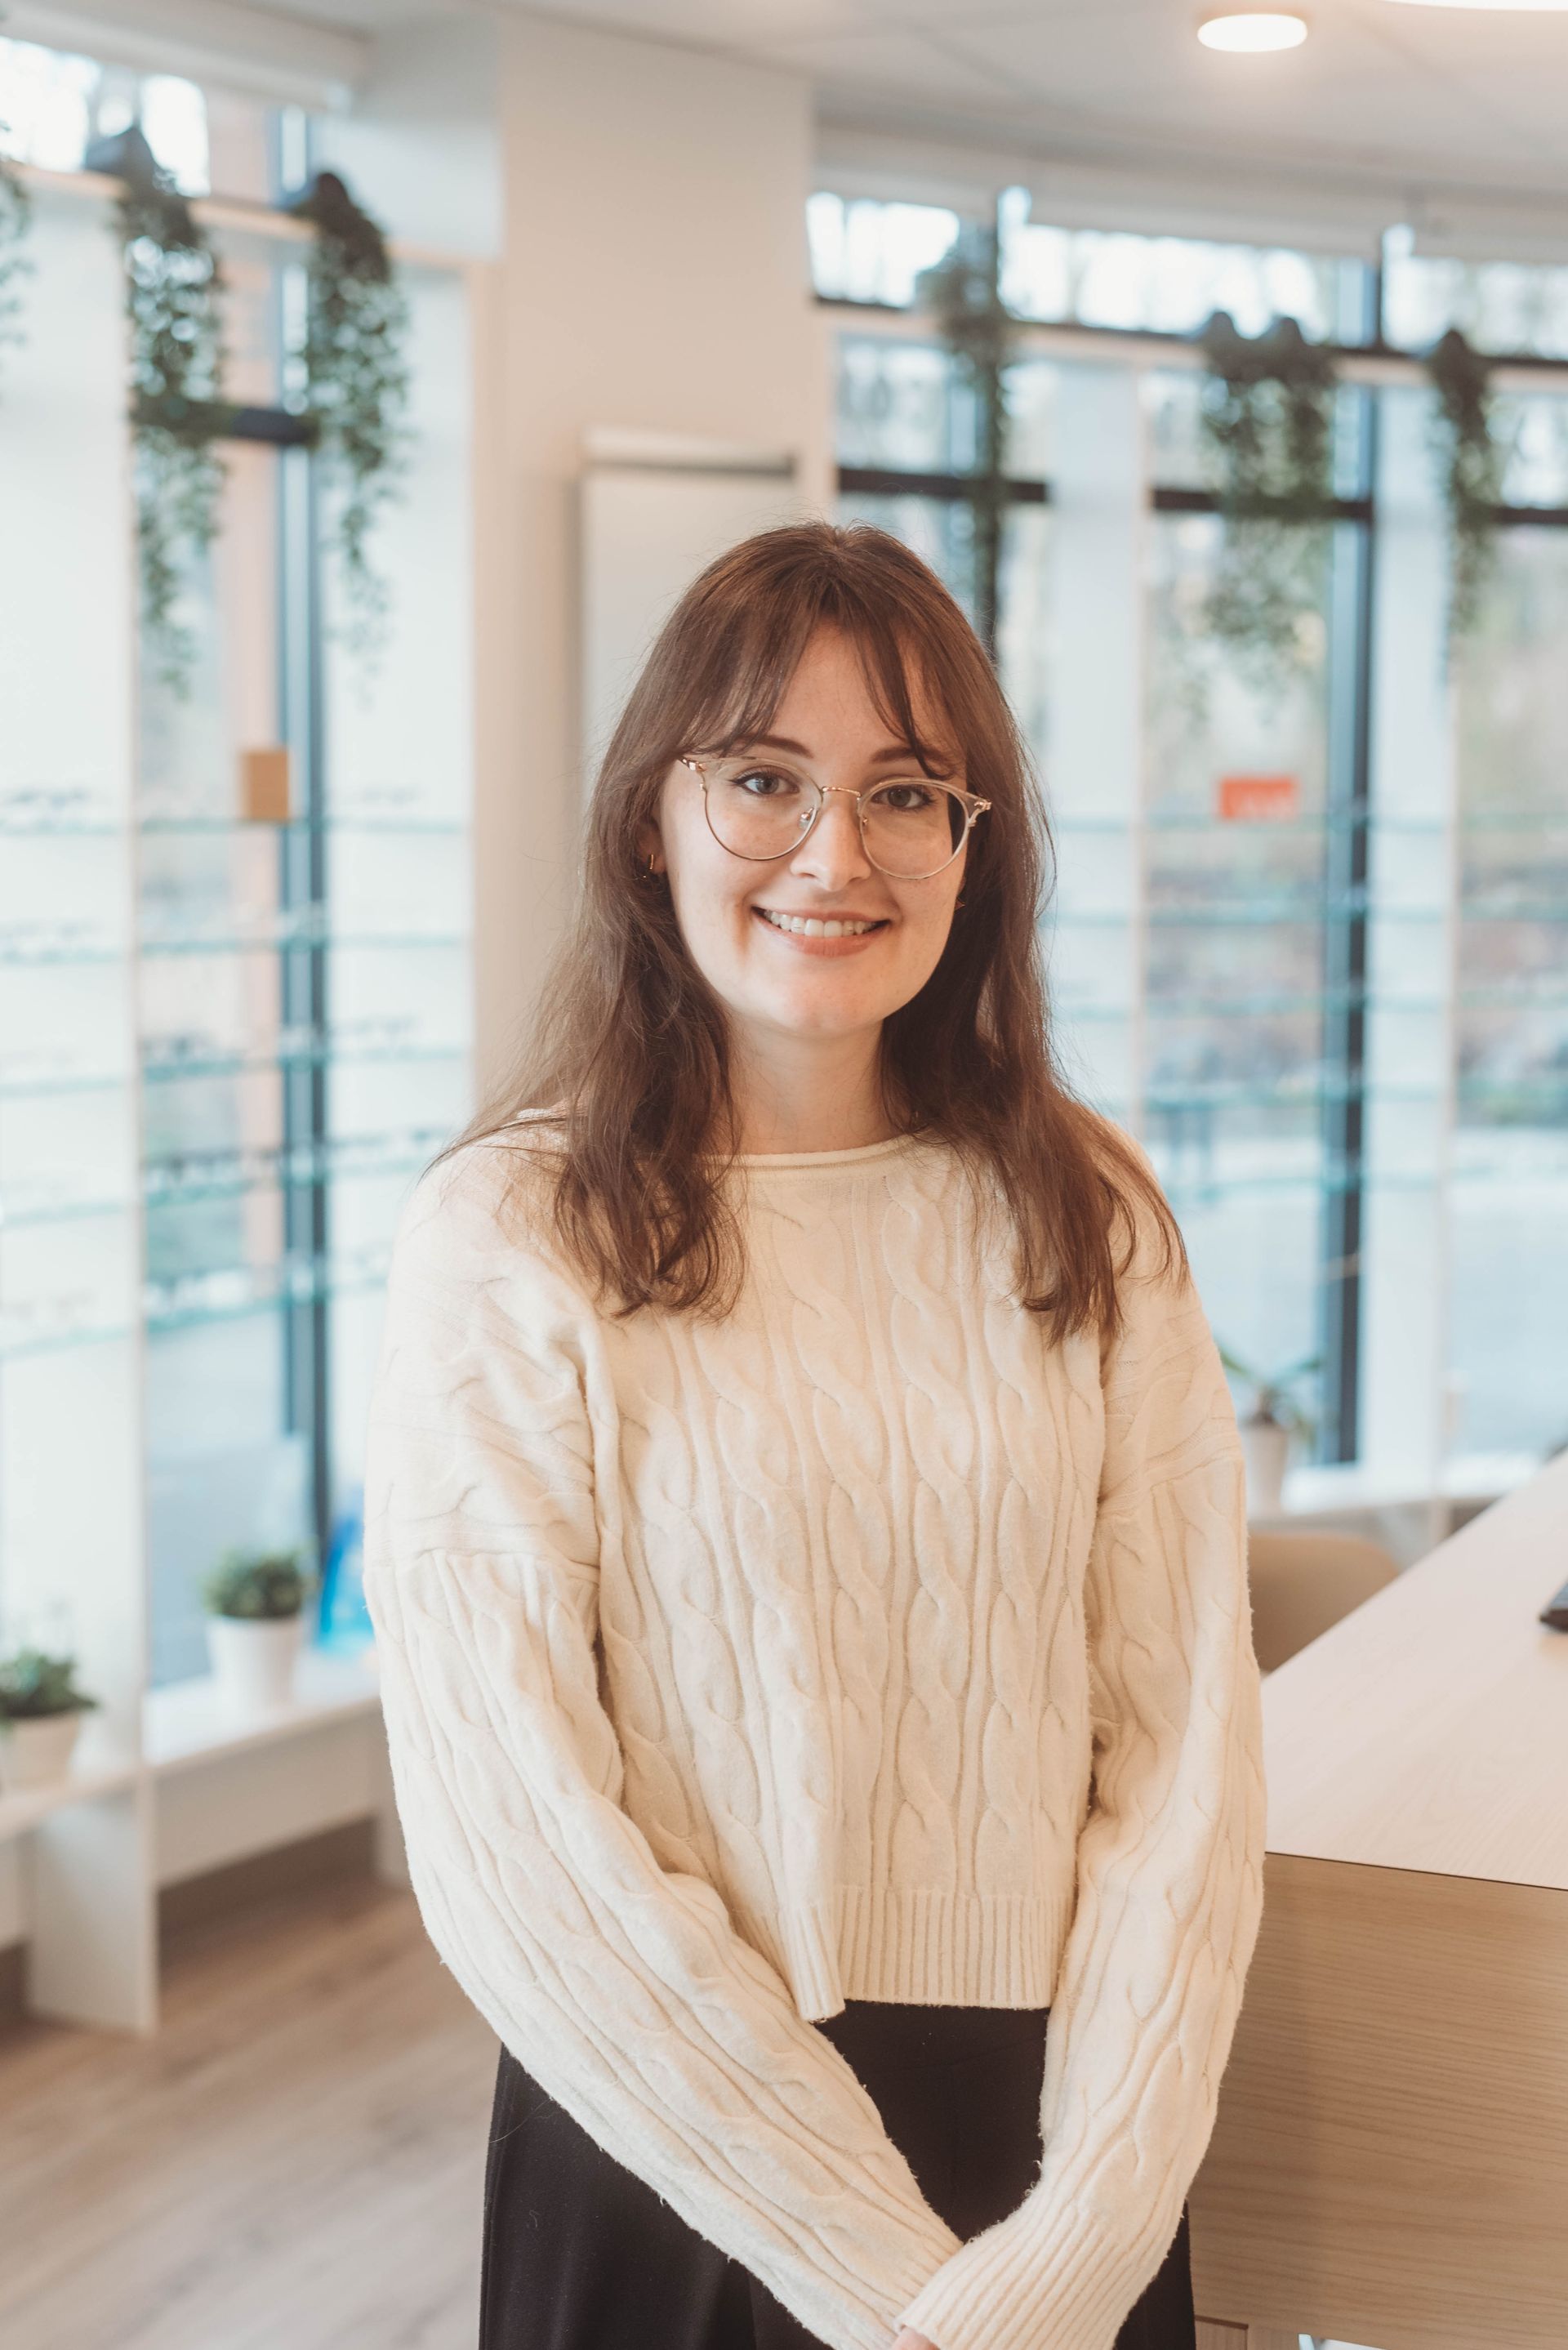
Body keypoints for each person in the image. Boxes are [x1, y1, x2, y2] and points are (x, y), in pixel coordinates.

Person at [361, 521, 1267, 2350]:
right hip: (677, 2165)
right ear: (653, 818)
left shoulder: (1084, 1208)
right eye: (764, 778)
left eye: (908, 791)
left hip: (1056, 2185)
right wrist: (896, 2295)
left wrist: (1071, 2248)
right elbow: (514, 1838)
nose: (834, 854)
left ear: (972, 845)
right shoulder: (510, 1235)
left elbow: (1184, 1763)